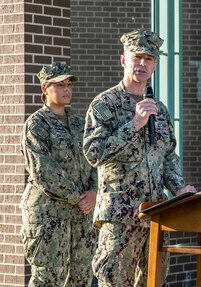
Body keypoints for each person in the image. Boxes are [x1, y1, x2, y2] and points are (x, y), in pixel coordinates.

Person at [83, 28, 196, 287]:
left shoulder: (160, 110)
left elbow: (168, 156)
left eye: (149, 58)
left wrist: (178, 188)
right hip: (120, 216)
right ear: (124, 60)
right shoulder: (104, 104)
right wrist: (134, 123)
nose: (142, 63)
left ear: (155, 64)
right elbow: (93, 153)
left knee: (154, 282)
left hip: (156, 213)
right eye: (137, 57)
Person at [20, 62, 98, 286]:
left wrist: (93, 192)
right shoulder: (36, 125)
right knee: (48, 280)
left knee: (81, 278)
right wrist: (79, 198)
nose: (67, 89)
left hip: (80, 218)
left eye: (68, 84)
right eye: (60, 85)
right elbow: (43, 171)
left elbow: (93, 161)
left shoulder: (79, 123)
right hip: (48, 217)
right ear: (45, 90)